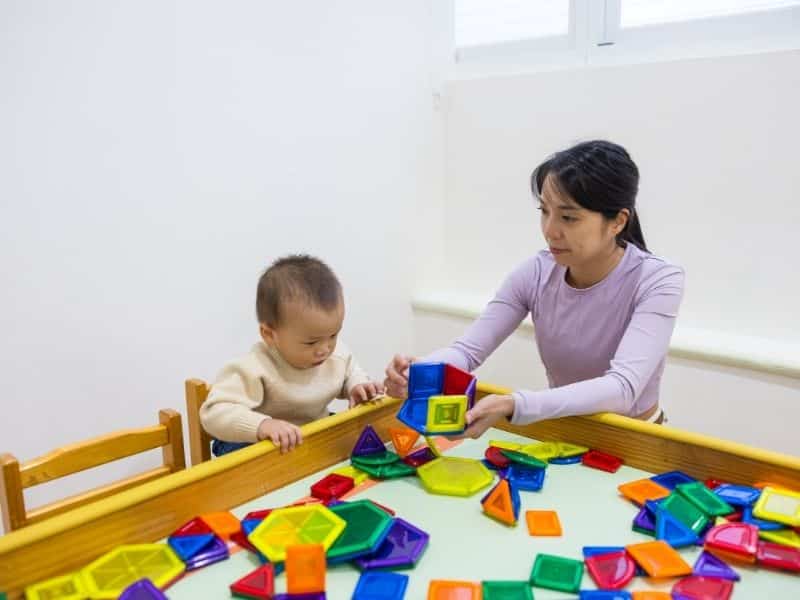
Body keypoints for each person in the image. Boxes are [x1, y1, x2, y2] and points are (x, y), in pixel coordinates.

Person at [385, 140, 684, 439]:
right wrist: (420, 371)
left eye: (568, 217)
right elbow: (466, 351)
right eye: (544, 211)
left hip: (636, 441)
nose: (550, 230)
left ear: (618, 221)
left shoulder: (657, 280)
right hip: (564, 436)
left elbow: (622, 388)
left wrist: (515, 403)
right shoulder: (536, 272)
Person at [201, 254, 383, 456]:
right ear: (270, 335)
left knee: (348, 436)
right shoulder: (254, 368)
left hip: (308, 431)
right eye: (311, 342)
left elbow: (350, 370)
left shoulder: (335, 354)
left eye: (333, 335)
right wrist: (263, 425)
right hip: (255, 440)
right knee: (249, 459)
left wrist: (357, 386)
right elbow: (213, 413)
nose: (325, 348)